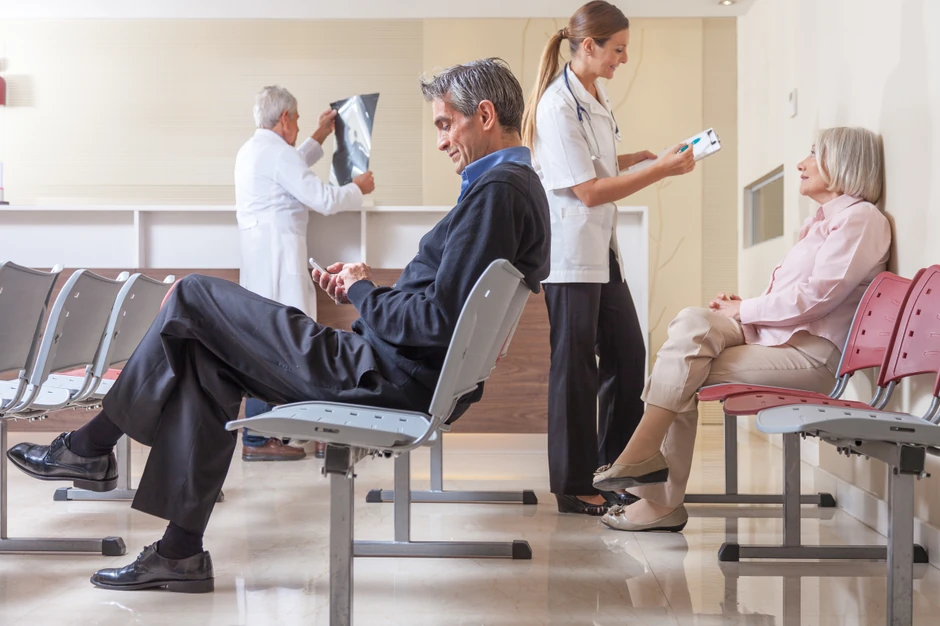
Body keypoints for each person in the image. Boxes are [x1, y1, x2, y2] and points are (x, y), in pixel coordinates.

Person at [5, 57, 548, 593]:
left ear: (483, 115)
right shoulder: (512, 187)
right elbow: (442, 315)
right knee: (205, 356)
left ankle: (90, 446)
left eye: (445, 124)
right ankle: (178, 551)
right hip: (385, 369)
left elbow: (435, 321)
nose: (441, 141)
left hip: (379, 375)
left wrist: (363, 291)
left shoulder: (496, 192)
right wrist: (365, 291)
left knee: (192, 295)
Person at [595, 126, 891, 532]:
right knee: (693, 322)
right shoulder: (822, 223)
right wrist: (743, 308)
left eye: (814, 154)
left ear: (844, 163)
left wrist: (745, 310)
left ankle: (654, 490)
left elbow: (818, 296)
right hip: (780, 340)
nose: (801, 164)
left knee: (680, 370)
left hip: (814, 355)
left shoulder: (861, 220)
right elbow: (804, 295)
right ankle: (646, 466)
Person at [521, 0, 695, 515]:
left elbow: (590, 162)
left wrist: (634, 158)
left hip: (602, 249)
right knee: (574, 368)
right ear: (588, 46)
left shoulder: (594, 94)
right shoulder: (557, 104)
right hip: (570, 253)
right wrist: (659, 171)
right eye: (617, 49)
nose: (623, 58)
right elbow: (589, 190)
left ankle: (614, 468)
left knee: (627, 353)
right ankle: (573, 484)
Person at [234, 85, 375, 461]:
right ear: (284, 118)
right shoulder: (277, 154)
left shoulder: (254, 150)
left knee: (265, 347)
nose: (297, 126)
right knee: (283, 348)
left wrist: (320, 136)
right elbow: (323, 199)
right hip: (279, 265)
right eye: (296, 120)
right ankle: (264, 438)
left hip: (262, 264)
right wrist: (357, 188)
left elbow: (290, 168)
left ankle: (263, 436)